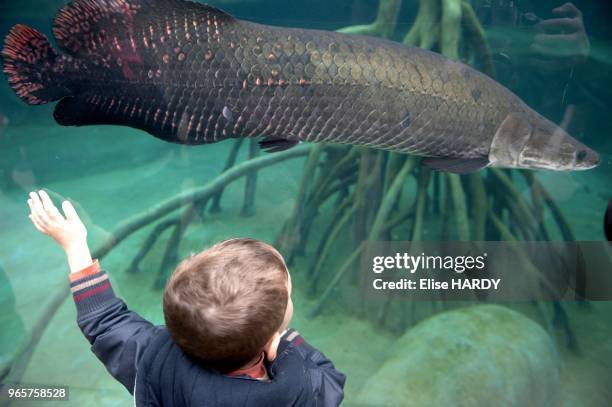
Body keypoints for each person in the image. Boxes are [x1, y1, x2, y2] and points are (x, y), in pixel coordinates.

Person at [26, 190, 345, 406]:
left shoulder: (155, 360)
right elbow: (331, 379)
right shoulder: (298, 388)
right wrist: (287, 346)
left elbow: (104, 320)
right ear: (270, 336)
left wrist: (75, 246)